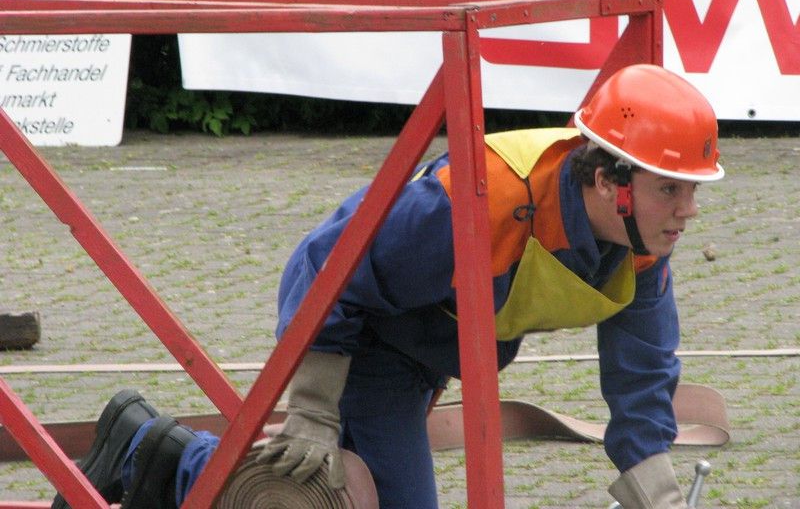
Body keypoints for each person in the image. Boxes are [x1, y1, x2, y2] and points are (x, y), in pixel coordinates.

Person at [53, 63, 724, 509]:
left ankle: (150, 445)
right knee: (320, 495)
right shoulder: (478, 202)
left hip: (425, 354)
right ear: (608, 182)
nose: (687, 211)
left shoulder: (641, 244)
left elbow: (641, 377)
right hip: (366, 345)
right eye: (670, 190)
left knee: (346, 492)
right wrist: (313, 408)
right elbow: (325, 264)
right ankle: (149, 449)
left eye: (692, 191)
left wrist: (657, 492)